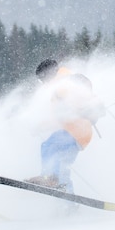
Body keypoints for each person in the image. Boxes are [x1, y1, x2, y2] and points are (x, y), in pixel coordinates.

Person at [26, 59, 105, 193]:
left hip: (76, 131)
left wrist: (93, 107)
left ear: (47, 74)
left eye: (42, 79)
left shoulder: (64, 83)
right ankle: (68, 205)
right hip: (79, 134)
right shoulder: (60, 87)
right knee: (62, 169)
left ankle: (49, 177)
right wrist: (40, 127)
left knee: (49, 146)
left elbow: (86, 97)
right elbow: (59, 118)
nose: (42, 83)